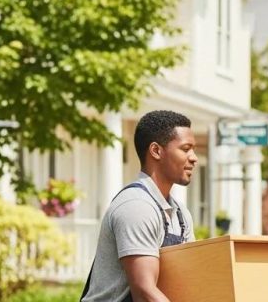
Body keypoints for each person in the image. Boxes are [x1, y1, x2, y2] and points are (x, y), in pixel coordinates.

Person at [82, 110, 197, 301]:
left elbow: (189, 279)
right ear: (156, 151)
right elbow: (145, 293)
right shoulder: (136, 207)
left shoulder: (181, 214)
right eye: (185, 149)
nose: (194, 157)